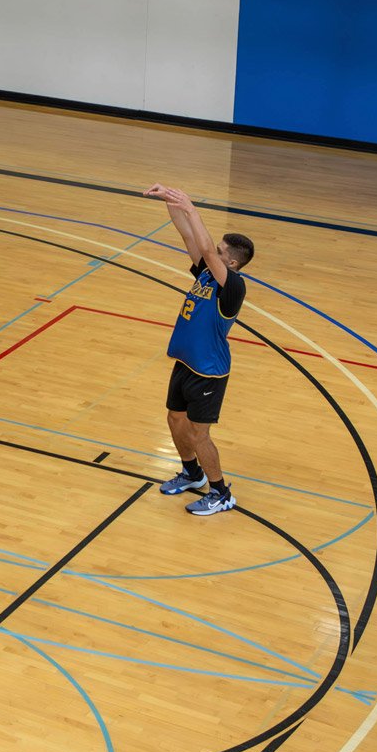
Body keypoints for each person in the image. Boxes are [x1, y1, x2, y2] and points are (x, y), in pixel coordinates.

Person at [143, 182, 255, 516]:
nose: (212, 253)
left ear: (231, 264)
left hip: (209, 371)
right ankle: (191, 473)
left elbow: (206, 248)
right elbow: (192, 240)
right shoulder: (207, 275)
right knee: (174, 420)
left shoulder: (232, 286)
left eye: (220, 252)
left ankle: (221, 493)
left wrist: (192, 207)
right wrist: (171, 204)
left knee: (198, 433)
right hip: (186, 364)